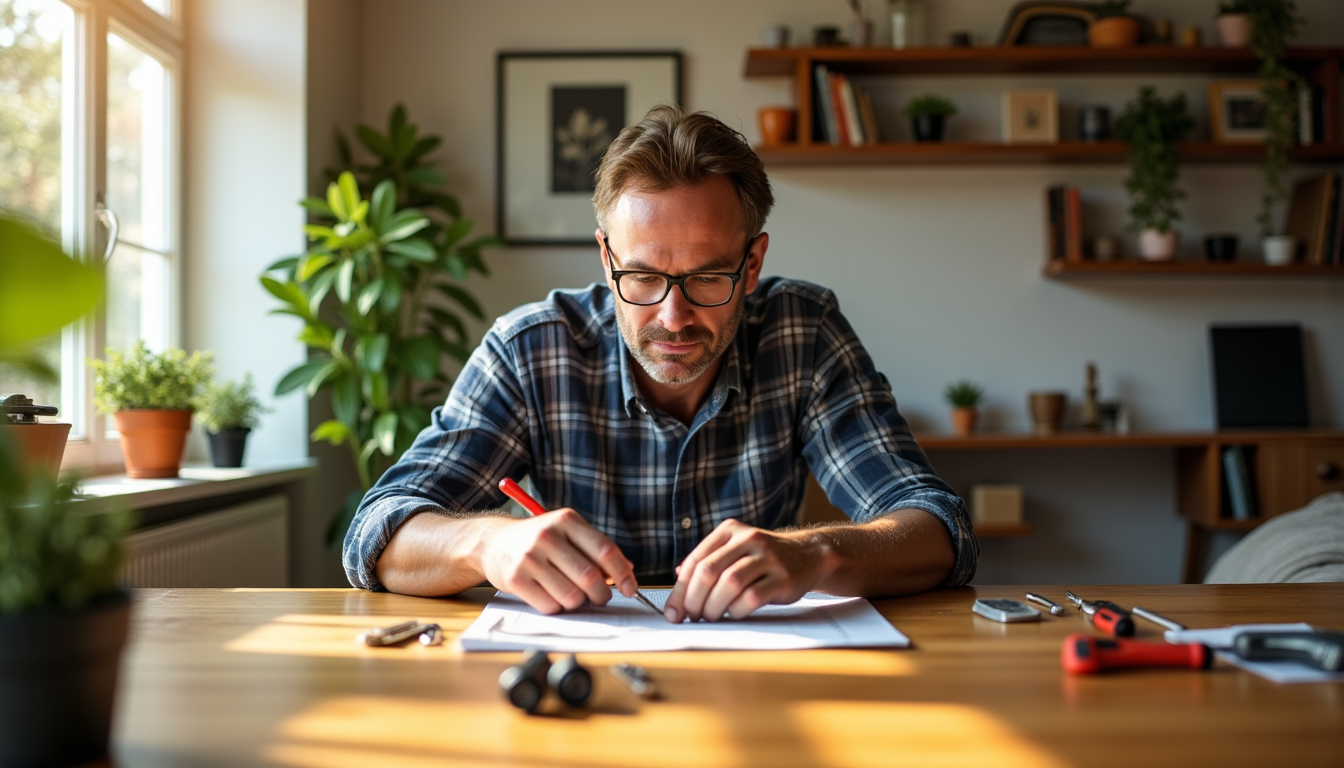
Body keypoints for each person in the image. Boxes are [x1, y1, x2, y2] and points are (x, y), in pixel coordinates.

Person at [343, 105, 977, 622]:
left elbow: (938, 527)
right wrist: (488, 543)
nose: (672, 317)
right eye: (642, 277)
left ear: (751, 263)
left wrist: (813, 554)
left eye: (707, 278)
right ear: (606, 258)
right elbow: (375, 532)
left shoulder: (802, 333)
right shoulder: (530, 350)